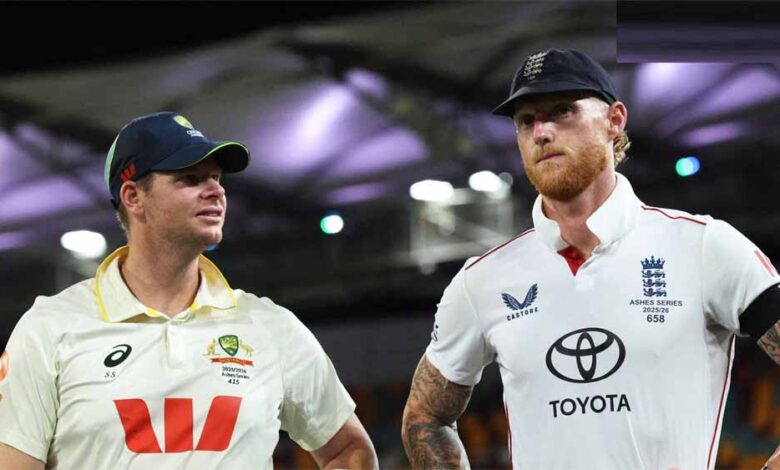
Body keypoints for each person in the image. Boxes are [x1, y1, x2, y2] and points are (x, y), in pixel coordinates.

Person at [401, 48, 780, 470]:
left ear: (614, 121)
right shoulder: (483, 280)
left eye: (562, 111)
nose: (541, 131)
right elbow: (425, 418)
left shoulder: (703, 247)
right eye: (525, 120)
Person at [0, 112, 378, 469]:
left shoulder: (271, 327)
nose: (216, 191)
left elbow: (348, 450)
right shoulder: (50, 328)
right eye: (191, 179)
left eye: (216, 178)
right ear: (133, 197)